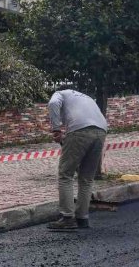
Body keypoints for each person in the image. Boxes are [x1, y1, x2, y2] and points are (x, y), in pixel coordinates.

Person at [46, 89, 108, 231]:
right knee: (86, 178)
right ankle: (82, 218)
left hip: (79, 130)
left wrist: (56, 129)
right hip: (101, 131)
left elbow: (53, 103)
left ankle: (67, 217)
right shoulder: (85, 97)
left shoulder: (60, 94)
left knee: (65, 174)